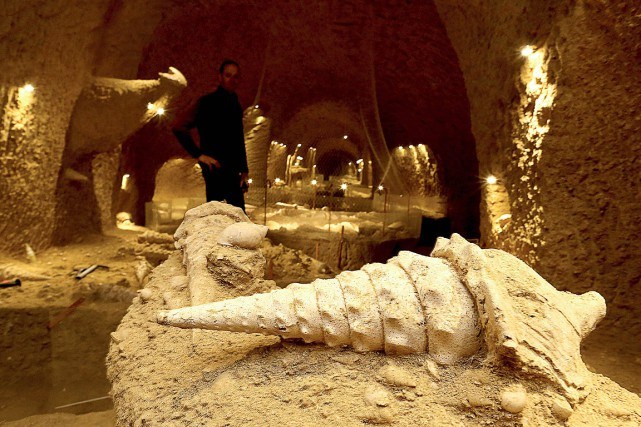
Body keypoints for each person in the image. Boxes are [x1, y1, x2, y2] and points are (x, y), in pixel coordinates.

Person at [172, 60, 249, 211]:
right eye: (228, 75)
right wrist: (199, 155)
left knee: (236, 217)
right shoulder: (207, 103)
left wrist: (244, 169)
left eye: (235, 76)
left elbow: (237, 138)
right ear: (220, 77)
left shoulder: (235, 103)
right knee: (218, 216)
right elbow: (178, 127)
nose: (232, 80)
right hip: (215, 169)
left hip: (233, 172)